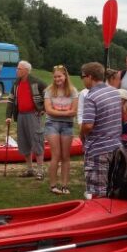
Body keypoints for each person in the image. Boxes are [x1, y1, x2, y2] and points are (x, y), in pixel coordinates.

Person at [79, 62, 123, 199]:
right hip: (116, 147)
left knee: (97, 190)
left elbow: (87, 126)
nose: (82, 80)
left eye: (83, 77)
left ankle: (100, 216)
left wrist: (82, 136)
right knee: (112, 185)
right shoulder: (114, 92)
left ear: (90, 77)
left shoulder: (91, 97)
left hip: (98, 149)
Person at [5, 60, 47, 179]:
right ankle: (30, 169)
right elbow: (11, 100)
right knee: (23, 142)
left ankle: (40, 171)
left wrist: (43, 108)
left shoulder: (36, 82)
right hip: (21, 116)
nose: (16, 70)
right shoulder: (16, 83)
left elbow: (48, 94)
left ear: (26, 71)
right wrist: (8, 116)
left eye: (19, 69)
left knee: (37, 141)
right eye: (17, 68)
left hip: (33, 115)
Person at [44, 65, 78, 194]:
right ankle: (53, 185)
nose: (57, 78)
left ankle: (64, 185)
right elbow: (48, 110)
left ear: (65, 76)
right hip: (52, 123)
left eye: (59, 76)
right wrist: (65, 112)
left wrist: (57, 111)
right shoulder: (49, 90)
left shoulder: (73, 91)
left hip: (67, 125)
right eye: (55, 76)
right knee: (56, 155)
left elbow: (74, 111)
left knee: (65, 156)